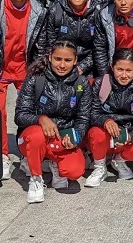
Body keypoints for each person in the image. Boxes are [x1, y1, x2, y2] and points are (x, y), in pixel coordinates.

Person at [0, 0, 49, 180]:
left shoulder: (39, 10)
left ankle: (26, 153)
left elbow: (41, 46)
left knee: (29, 113)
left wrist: (38, 75)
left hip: (26, 69)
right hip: (1, 69)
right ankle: (2, 155)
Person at [14, 39, 92, 204]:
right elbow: (20, 115)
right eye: (58, 59)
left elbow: (83, 118)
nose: (62, 65)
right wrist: (40, 119)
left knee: (75, 171)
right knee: (36, 136)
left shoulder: (82, 83)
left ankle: (52, 163)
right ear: (50, 57)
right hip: (33, 137)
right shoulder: (36, 78)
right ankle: (36, 179)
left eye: (68, 60)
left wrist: (76, 137)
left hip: (60, 139)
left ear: (75, 60)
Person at [84, 49, 133, 187]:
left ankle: (118, 160)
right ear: (112, 66)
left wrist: (131, 136)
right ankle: (100, 166)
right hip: (104, 135)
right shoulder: (100, 84)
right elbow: (90, 113)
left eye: (128, 70)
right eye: (119, 69)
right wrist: (105, 121)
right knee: (96, 133)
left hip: (125, 136)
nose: (124, 75)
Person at [44, 0, 100, 79]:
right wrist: (61, 65)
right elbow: (50, 45)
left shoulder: (97, 14)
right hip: (60, 67)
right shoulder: (56, 12)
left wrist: (82, 67)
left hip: (88, 71)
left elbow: (99, 47)